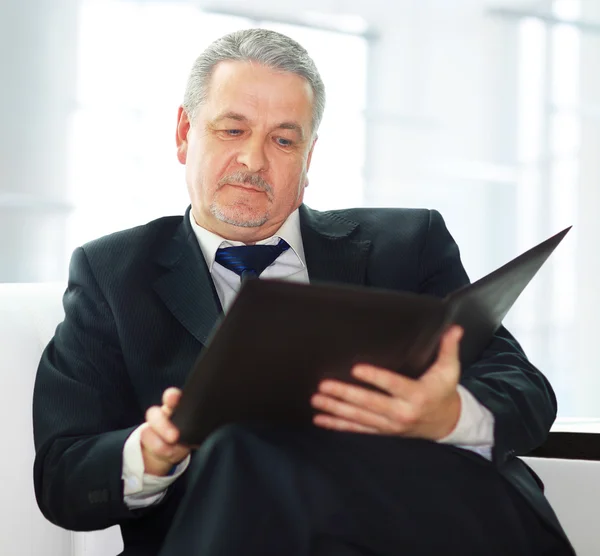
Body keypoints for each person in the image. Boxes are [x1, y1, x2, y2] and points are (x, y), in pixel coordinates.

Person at [33, 28, 574, 556]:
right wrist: (151, 454)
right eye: (231, 130)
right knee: (239, 450)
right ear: (183, 132)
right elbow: (63, 475)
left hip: (414, 517)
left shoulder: (409, 246)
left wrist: (449, 416)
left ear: (309, 158)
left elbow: (524, 389)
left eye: (283, 139)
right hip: (234, 528)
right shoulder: (111, 273)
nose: (252, 160)